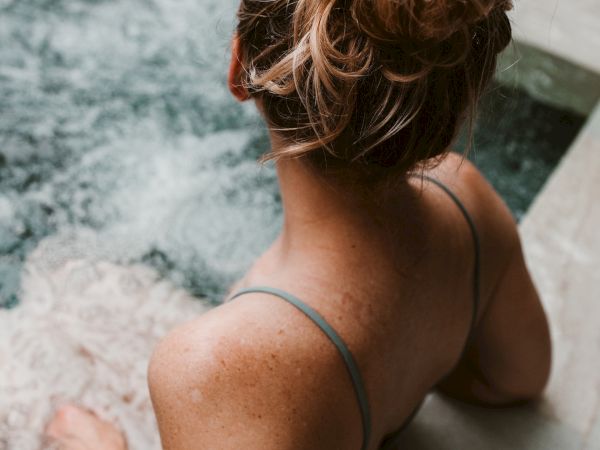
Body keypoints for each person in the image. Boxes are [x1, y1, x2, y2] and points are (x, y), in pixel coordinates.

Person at [45, 0, 552, 449]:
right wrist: (403, 352)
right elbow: (517, 378)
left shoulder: (215, 367)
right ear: (457, 96)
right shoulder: (466, 200)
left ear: (239, 67)